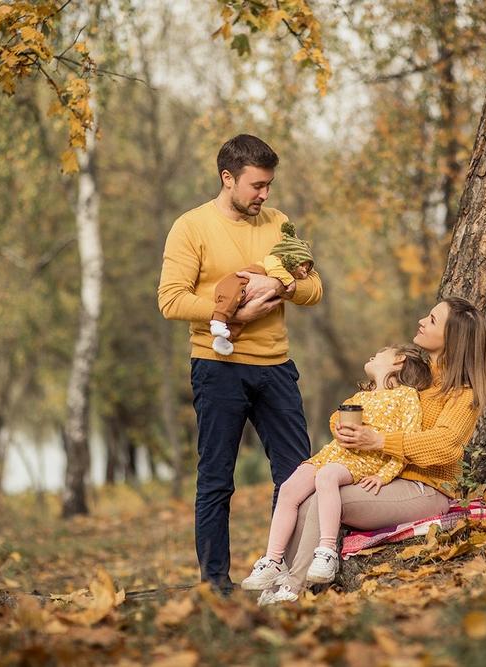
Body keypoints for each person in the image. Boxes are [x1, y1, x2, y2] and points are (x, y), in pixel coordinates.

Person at [158, 134, 323, 593]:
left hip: (276, 367)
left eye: (269, 185)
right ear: (227, 178)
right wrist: (230, 308)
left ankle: (284, 575)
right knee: (217, 479)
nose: (264, 195)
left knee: (296, 476)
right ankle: (217, 584)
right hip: (218, 366)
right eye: (256, 185)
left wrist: (281, 288)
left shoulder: (280, 224)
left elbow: (314, 289)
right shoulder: (190, 227)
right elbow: (171, 300)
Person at [256, 296, 486, 604]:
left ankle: (293, 592)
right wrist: (344, 427)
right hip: (385, 475)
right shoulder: (413, 377)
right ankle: (277, 574)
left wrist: (379, 441)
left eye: (432, 320)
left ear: (452, 339)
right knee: (304, 493)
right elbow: (372, 409)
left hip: (427, 489)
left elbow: (445, 446)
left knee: (321, 500)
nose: (421, 321)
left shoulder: (462, 394)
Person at [240, 344, 432, 591]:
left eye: (382, 351)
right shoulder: (361, 396)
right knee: (289, 488)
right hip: (333, 453)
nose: (373, 354)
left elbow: (408, 439)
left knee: (328, 477)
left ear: (399, 360)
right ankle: (273, 560)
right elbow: (336, 420)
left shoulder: (406, 396)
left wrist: (384, 476)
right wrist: (339, 429)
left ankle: (326, 551)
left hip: (367, 460)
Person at [209, 222, 315, 355]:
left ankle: (224, 339)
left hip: (274, 358)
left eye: (308, 268)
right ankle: (218, 320)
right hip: (237, 284)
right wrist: (289, 282)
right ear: (290, 258)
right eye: (303, 265)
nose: (305, 271)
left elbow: (315, 287)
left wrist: (279, 286)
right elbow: (273, 267)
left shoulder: (279, 219)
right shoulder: (275, 260)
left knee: (238, 323)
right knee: (230, 300)